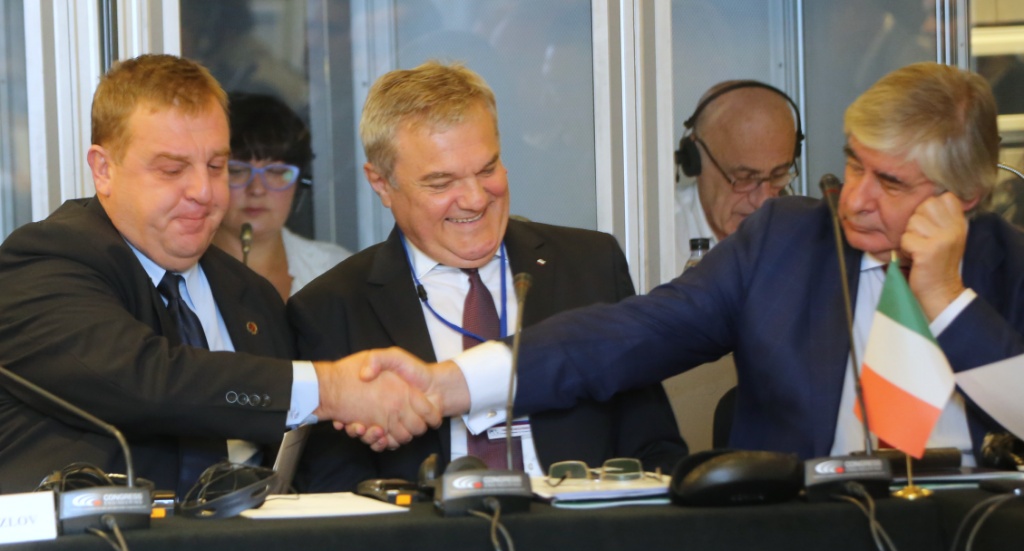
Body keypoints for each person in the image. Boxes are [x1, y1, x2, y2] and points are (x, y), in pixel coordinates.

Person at [357, 62, 1024, 466]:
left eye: (892, 183)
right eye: (854, 164)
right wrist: (449, 383)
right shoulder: (786, 242)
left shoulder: (1009, 264)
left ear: (964, 196)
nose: (855, 199)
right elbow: (623, 336)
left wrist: (947, 298)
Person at [0, 54, 437, 496]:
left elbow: (302, 457)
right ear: (103, 169)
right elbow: (146, 381)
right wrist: (330, 389)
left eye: (216, 166)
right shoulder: (44, 261)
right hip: (96, 539)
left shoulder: (252, 296)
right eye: (172, 170)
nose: (203, 192)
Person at [287, 61, 686, 491]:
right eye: (442, 183)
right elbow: (336, 494)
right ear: (382, 184)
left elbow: (656, 450)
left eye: (487, 170)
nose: (476, 200)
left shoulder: (590, 265)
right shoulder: (330, 309)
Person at [213, 92, 351, 300]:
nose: (257, 189)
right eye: (237, 170)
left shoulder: (338, 272)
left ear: (299, 182)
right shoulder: (177, 276)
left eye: (276, 172)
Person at [674, 80, 802, 264]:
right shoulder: (658, 235)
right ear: (695, 161)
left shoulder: (804, 231)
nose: (764, 201)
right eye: (745, 178)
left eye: (778, 176)